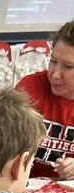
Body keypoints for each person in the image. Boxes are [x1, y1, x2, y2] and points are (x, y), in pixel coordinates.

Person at [15, 21, 74, 180]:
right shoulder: (31, 87)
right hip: (23, 186)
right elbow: (2, 139)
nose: (55, 74)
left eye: (68, 67)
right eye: (53, 62)